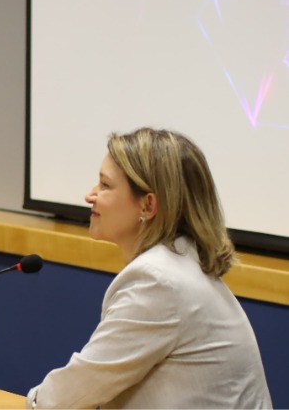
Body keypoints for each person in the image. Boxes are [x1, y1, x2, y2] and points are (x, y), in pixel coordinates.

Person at [26, 128, 272, 409]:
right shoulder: (180, 265)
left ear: (148, 204)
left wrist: (33, 402)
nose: (89, 195)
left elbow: (66, 397)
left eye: (105, 186)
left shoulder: (159, 281)